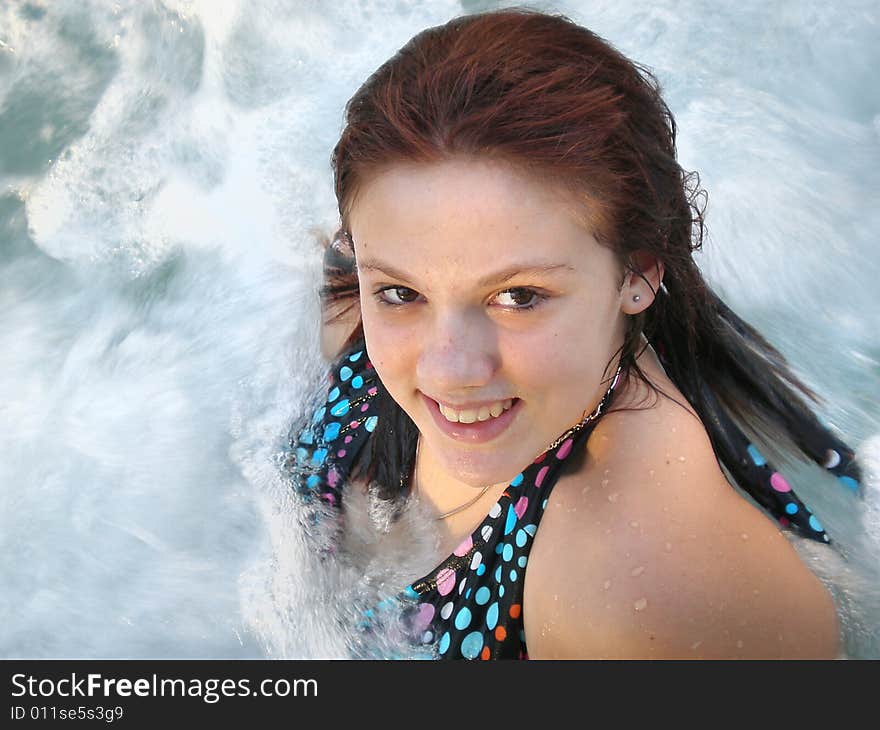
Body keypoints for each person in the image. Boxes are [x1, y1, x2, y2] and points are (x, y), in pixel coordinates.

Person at [291, 8, 863, 659]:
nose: (448, 368)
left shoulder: (626, 585)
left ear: (639, 273)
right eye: (401, 291)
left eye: (518, 296)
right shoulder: (359, 287)